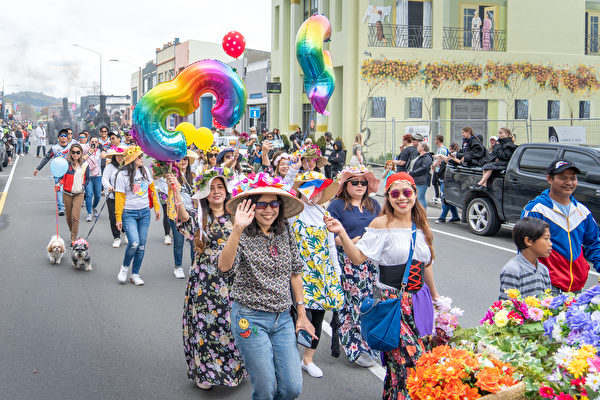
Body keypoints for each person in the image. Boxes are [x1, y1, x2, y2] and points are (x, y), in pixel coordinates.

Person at [325, 172, 439, 399]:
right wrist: (341, 232)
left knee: (416, 363)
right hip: (394, 303)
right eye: (395, 193)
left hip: (421, 302)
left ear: (415, 194)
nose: (402, 198)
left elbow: (426, 266)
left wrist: (436, 298)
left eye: (407, 192)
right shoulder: (381, 224)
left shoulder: (421, 225)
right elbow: (357, 258)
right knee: (410, 361)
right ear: (388, 197)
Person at [217, 173, 315, 399]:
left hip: (282, 320)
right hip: (249, 318)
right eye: (261, 204)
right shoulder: (240, 233)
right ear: (251, 207)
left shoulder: (285, 230)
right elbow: (224, 267)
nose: (268, 210)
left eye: (273, 204)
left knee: (292, 388)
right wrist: (237, 229)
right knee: (265, 388)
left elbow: (296, 272)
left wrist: (301, 314)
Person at [169, 167, 247, 390]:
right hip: (205, 283)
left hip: (232, 281)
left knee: (231, 325)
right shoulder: (200, 217)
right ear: (204, 193)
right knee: (205, 326)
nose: (216, 191)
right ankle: (205, 372)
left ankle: (234, 369)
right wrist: (176, 191)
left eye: (220, 187)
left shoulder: (237, 216)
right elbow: (183, 217)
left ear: (226, 190)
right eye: (211, 188)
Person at [327, 165, 381, 367]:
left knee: (370, 304)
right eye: (355, 182)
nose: (360, 186)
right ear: (345, 185)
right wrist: (351, 241)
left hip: (370, 262)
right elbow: (331, 235)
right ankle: (355, 347)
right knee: (352, 305)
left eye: (363, 182)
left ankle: (368, 343)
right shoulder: (336, 206)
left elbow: (384, 229)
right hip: (346, 263)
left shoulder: (374, 205)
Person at [291, 172, 343, 378]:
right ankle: (290, 355)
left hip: (322, 274)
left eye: (318, 189)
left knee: (318, 317)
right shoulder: (293, 213)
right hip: (298, 274)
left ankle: (308, 359)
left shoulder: (325, 214)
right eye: (310, 188)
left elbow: (331, 246)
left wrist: (336, 273)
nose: (314, 193)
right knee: (296, 316)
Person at [522, 160, 600, 294]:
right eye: (563, 178)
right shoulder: (536, 210)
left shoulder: (583, 212)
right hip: (546, 287)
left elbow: (594, 244)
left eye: (573, 178)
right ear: (549, 179)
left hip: (576, 288)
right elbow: (525, 250)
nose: (569, 183)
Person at [114, 146, 161, 286]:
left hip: (145, 212)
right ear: (132, 159)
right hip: (129, 213)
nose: (142, 158)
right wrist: (118, 218)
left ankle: (135, 274)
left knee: (141, 245)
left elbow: (152, 189)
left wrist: (157, 208)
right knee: (133, 243)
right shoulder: (122, 175)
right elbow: (120, 197)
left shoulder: (145, 171)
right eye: (139, 156)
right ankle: (124, 267)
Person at [499, 217, 552, 300]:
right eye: (546, 238)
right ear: (528, 241)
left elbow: (547, 301)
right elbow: (506, 307)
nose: (550, 243)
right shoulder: (513, 270)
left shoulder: (544, 270)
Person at [168, 151, 198, 279]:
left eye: (186, 159)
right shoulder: (172, 175)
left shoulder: (194, 176)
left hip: (192, 213)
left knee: (194, 242)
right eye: (180, 159)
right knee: (179, 241)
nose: (183, 161)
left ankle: (194, 266)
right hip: (177, 213)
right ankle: (178, 266)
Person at [54, 143, 90, 244]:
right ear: (70, 153)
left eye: (78, 152)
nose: (75, 154)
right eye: (73, 152)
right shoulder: (66, 164)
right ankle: (73, 232)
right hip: (67, 193)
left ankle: (73, 239)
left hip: (79, 194)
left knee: (75, 217)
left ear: (81, 153)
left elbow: (87, 179)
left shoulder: (85, 165)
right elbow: (62, 178)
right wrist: (58, 184)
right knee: (68, 217)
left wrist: (83, 186)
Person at [34, 128, 74, 216]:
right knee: (59, 189)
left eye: (65, 136)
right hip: (58, 172)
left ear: (68, 137)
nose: (63, 138)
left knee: (69, 190)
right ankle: (61, 208)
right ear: (58, 137)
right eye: (61, 136)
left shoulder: (72, 147)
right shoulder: (54, 148)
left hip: (69, 172)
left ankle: (68, 205)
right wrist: (38, 168)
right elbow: (46, 158)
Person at [102, 145, 127, 247]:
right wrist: (109, 186)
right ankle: (116, 237)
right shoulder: (110, 167)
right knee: (113, 217)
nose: (119, 158)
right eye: (117, 156)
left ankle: (125, 232)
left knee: (125, 216)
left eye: (121, 155)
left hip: (124, 196)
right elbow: (104, 179)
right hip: (112, 196)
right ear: (114, 157)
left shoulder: (128, 166)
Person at [83, 136, 103, 222]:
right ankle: (89, 213)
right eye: (92, 141)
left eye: (95, 141)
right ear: (89, 142)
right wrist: (89, 152)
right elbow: (81, 160)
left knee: (98, 195)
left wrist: (101, 148)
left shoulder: (99, 151)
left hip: (98, 176)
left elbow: (104, 156)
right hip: (88, 176)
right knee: (89, 194)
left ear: (98, 143)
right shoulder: (85, 150)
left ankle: (93, 207)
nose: (93, 143)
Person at [409, 142, 433, 209]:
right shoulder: (420, 156)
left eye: (419, 146)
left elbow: (424, 168)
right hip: (416, 179)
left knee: (420, 197)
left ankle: (423, 214)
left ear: (423, 148)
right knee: (417, 197)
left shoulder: (427, 157)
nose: (417, 147)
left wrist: (413, 172)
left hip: (422, 180)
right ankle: (418, 214)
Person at [431, 135, 448, 204]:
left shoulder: (442, 149)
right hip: (437, 169)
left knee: (439, 183)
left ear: (438, 140)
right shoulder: (439, 149)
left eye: (435, 139)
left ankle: (440, 197)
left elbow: (440, 160)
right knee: (435, 182)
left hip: (439, 170)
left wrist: (434, 166)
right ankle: (437, 196)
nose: (434, 140)